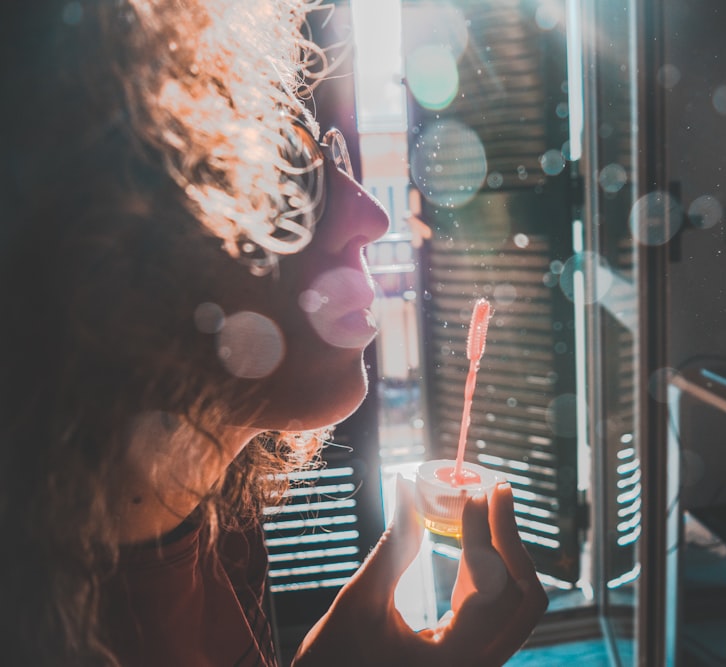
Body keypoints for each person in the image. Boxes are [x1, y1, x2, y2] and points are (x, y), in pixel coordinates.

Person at [0, 1, 548, 665]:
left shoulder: (211, 518)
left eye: (334, 156)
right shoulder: (52, 632)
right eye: (281, 172)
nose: (371, 214)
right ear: (107, 248)